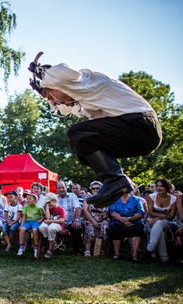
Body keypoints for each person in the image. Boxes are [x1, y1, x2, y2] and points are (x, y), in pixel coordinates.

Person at [28, 54, 162, 207]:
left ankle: (116, 179)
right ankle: (117, 180)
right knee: (83, 141)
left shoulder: (90, 83)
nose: (54, 102)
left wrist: (44, 73)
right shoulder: (87, 101)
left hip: (142, 124)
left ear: (59, 85)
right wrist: (47, 92)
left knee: (77, 133)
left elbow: (64, 74)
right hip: (140, 138)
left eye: (51, 95)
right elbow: (67, 107)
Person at [145, 179, 178, 263]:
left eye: (162, 186)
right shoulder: (152, 196)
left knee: (159, 223)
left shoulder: (173, 199)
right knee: (161, 232)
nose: (159, 188)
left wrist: (159, 218)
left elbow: (171, 216)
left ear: (167, 187)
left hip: (169, 223)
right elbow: (150, 212)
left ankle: (149, 249)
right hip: (152, 221)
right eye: (157, 186)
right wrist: (161, 216)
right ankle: (164, 257)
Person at [109, 192, 145, 262]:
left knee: (137, 230)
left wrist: (130, 219)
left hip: (134, 222)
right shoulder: (114, 199)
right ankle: (116, 254)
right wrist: (122, 220)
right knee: (115, 230)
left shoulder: (136, 199)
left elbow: (140, 212)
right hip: (118, 222)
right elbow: (112, 212)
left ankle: (134, 255)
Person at [39, 193, 66, 259]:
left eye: (49, 202)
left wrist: (50, 221)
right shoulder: (48, 209)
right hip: (49, 223)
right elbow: (48, 218)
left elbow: (62, 221)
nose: (47, 204)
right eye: (46, 203)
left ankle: (50, 249)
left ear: (55, 201)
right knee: (41, 227)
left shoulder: (61, 209)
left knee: (51, 228)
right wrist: (47, 208)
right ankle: (54, 242)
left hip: (58, 225)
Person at [17, 192, 44, 257]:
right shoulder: (26, 206)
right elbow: (24, 216)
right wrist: (21, 224)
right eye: (27, 198)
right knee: (22, 229)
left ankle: (36, 247)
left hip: (35, 222)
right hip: (28, 222)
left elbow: (44, 215)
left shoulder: (39, 207)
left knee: (35, 230)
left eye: (30, 198)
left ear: (35, 200)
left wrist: (41, 220)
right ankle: (21, 247)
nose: (28, 200)